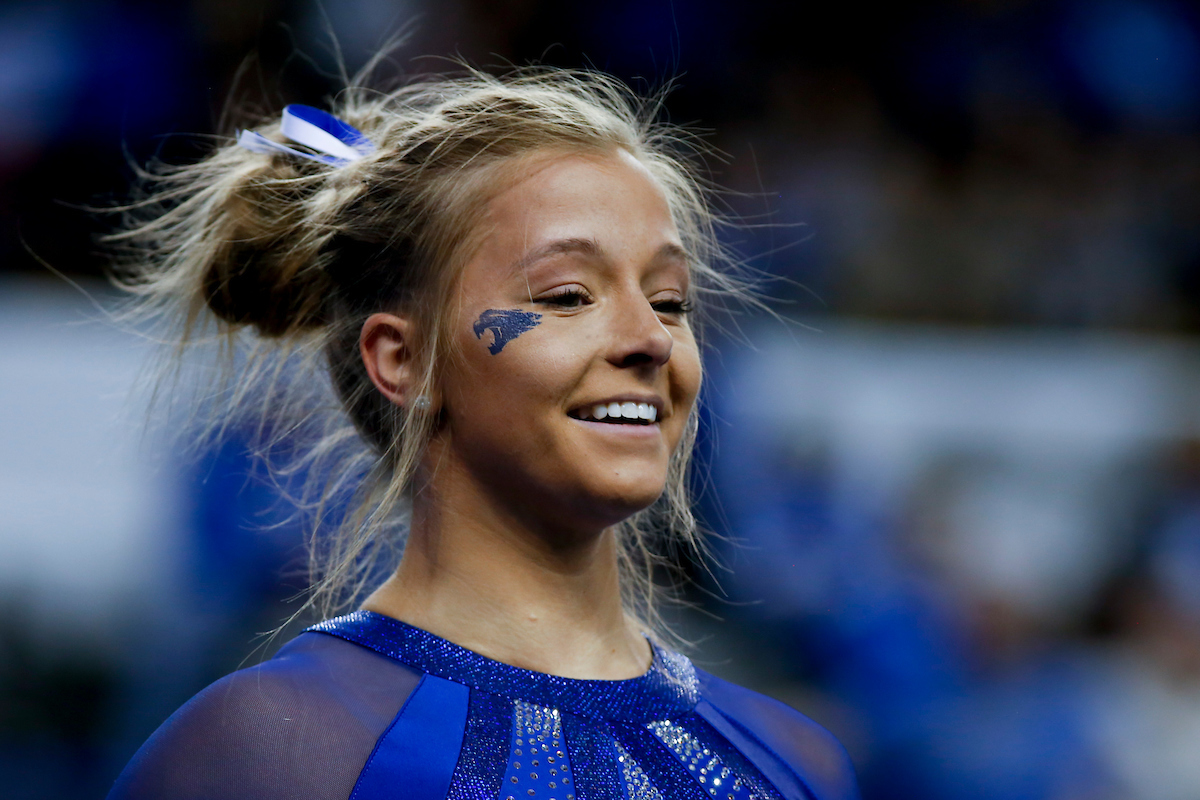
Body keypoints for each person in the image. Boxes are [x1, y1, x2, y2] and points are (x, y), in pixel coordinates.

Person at [105, 65, 861, 800]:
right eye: (568, 295)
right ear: (403, 360)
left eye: (669, 301)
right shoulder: (274, 750)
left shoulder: (795, 761)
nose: (651, 339)